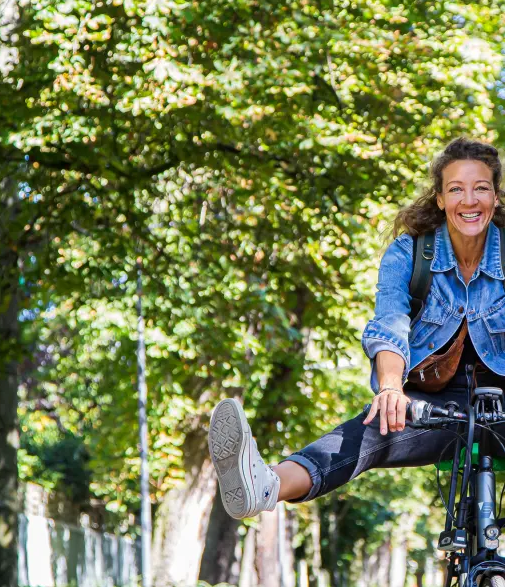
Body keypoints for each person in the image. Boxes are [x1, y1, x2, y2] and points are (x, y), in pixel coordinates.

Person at [208, 137, 505, 520]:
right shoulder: (410, 253)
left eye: (480, 188)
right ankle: (266, 485)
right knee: (368, 433)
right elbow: (390, 325)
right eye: (456, 189)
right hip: (432, 405)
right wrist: (391, 388)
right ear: (440, 199)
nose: (469, 200)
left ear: (495, 197)